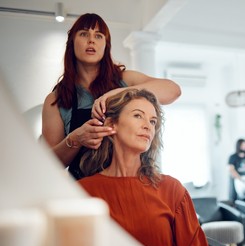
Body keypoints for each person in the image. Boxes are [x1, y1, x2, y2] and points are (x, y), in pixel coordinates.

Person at [42, 13, 181, 180]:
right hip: (85, 192)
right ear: (72, 42)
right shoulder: (56, 100)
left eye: (98, 36)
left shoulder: (125, 80)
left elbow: (173, 90)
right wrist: (76, 139)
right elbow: (50, 163)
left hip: (131, 184)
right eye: (84, 34)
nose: (91, 40)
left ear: (106, 46)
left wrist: (119, 92)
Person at [77, 88, 212, 246]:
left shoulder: (172, 190)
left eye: (153, 121)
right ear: (111, 124)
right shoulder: (83, 191)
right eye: (138, 115)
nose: (148, 126)